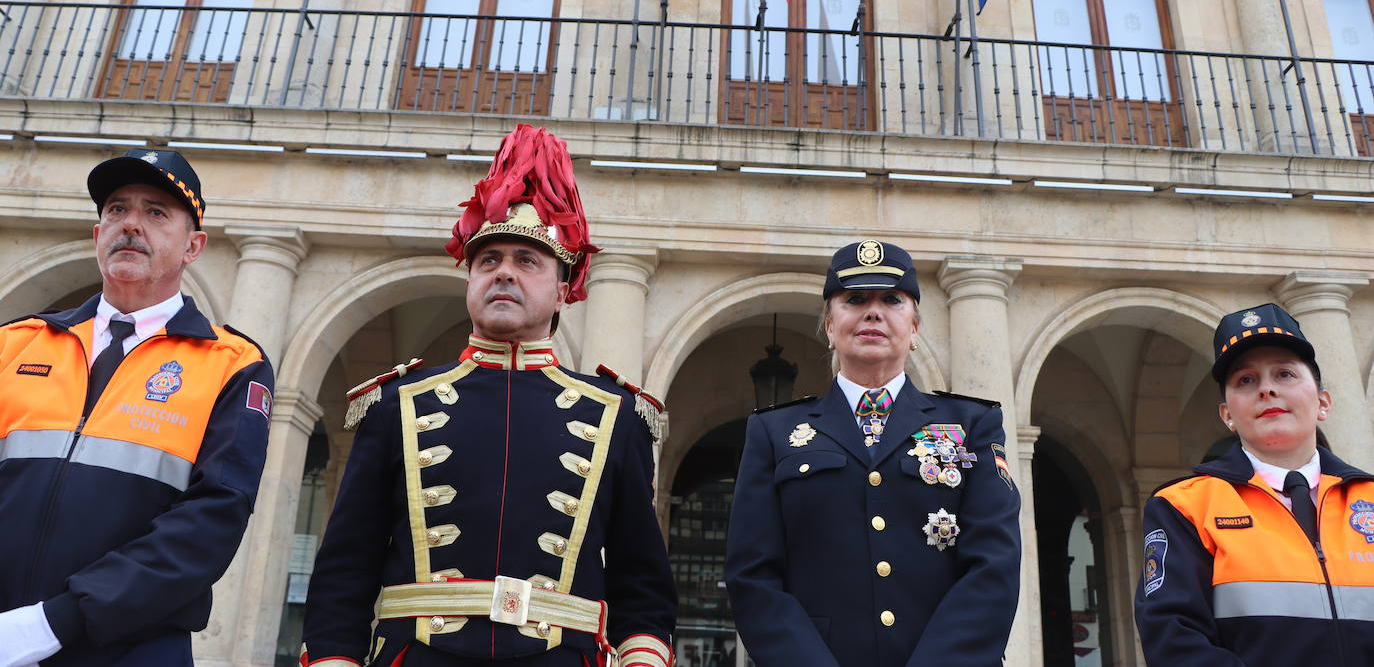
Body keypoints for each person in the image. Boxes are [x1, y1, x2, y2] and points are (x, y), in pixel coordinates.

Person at [301, 124, 676, 667]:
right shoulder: (396, 404)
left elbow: (641, 582)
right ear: (470, 280)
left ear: (563, 288)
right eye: (488, 260)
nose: (504, 273)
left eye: (527, 262)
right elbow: (346, 567)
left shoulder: (616, 415)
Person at [0, 148, 275, 667]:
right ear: (96, 234)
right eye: (116, 210)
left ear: (193, 246)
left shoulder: (233, 363)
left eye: (155, 212)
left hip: (134, 647)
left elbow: (212, 520)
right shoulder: (15, 344)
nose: (130, 225)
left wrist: (54, 622)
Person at [724, 240, 1021, 667]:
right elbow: (753, 577)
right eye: (855, 299)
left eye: (893, 300)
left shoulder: (973, 425)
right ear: (829, 325)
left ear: (915, 328)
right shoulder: (774, 432)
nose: (873, 312)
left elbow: (993, 567)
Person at [1135, 303, 1374, 665]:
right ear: (1227, 414)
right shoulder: (1184, 506)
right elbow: (1173, 640)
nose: (1266, 390)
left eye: (1285, 375)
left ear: (1323, 401)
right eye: (1246, 380)